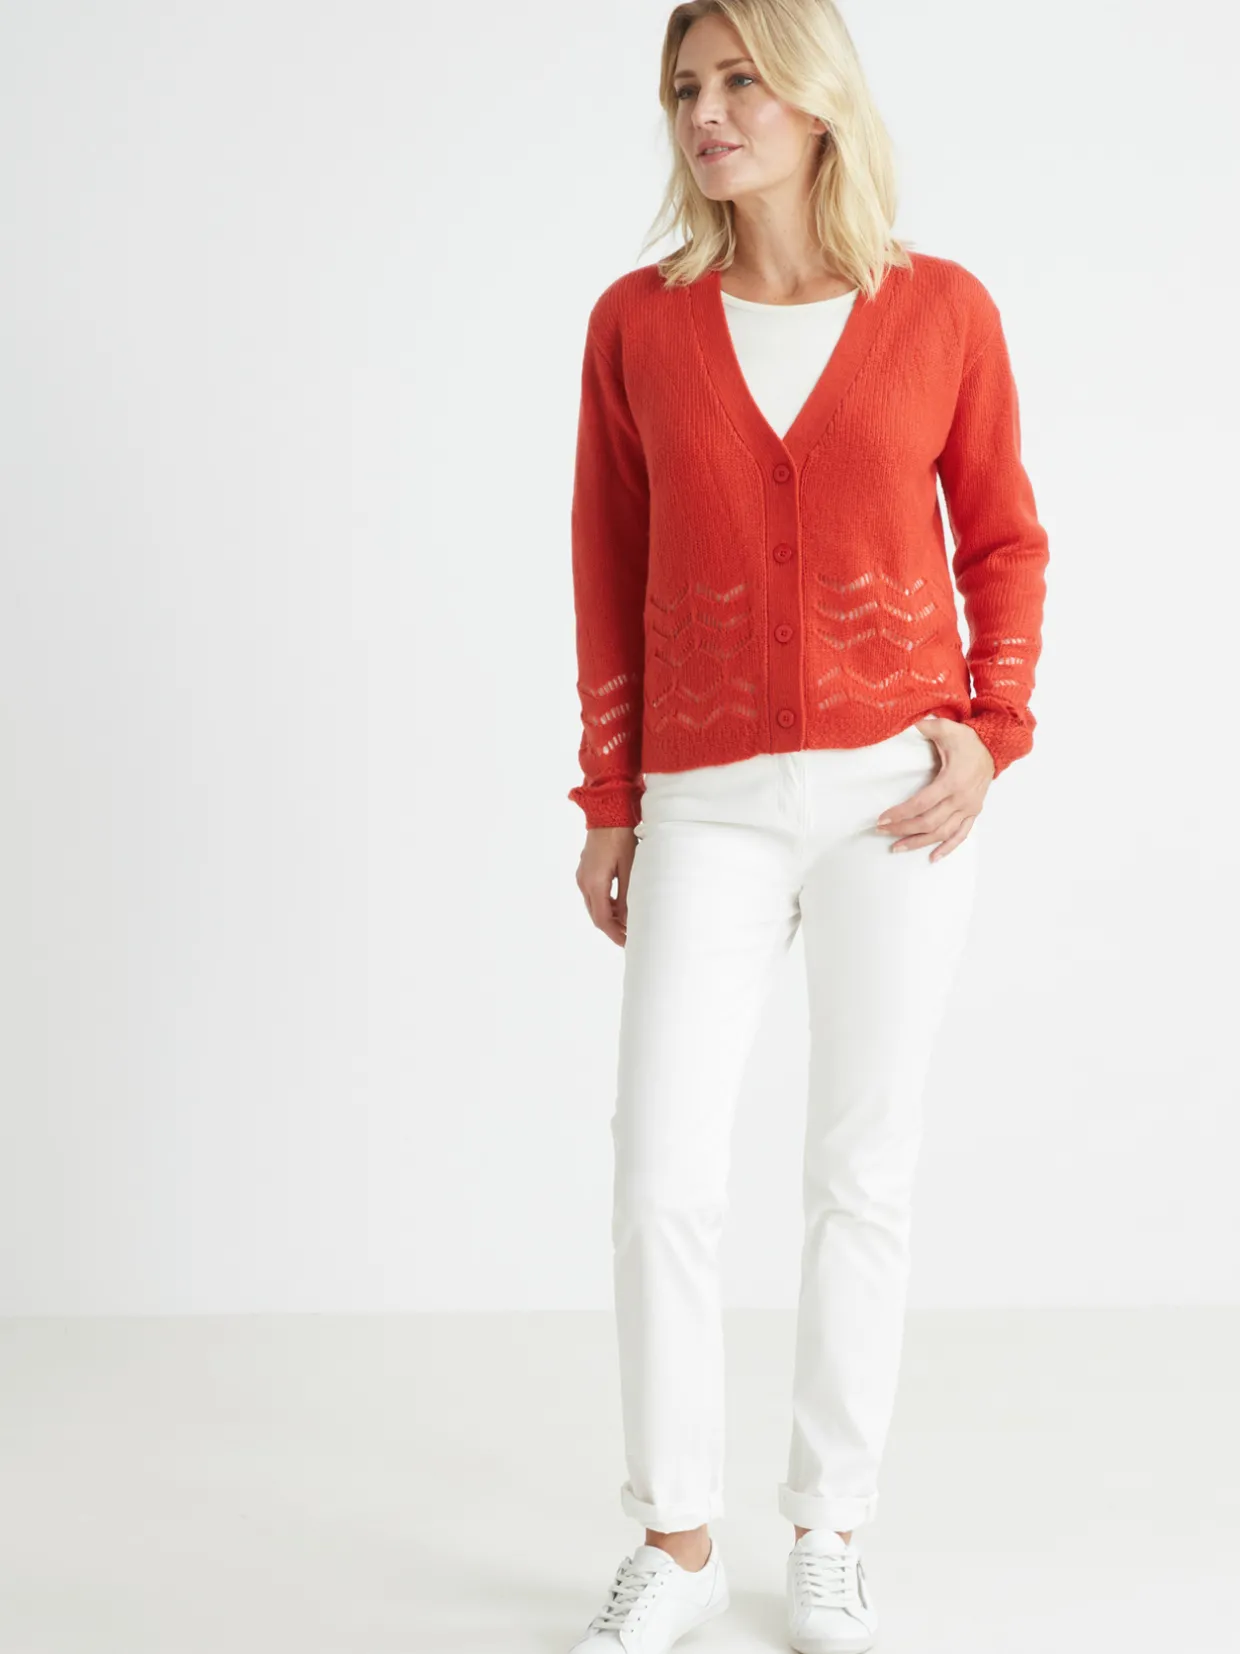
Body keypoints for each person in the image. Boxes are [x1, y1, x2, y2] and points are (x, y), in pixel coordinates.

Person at [564, 3, 1049, 1650]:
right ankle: (679, 1539)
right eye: (684, 89)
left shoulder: (940, 310)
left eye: (739, 81)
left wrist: (993, 733)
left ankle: (829, 1524)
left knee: (861, 1167)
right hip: (703, 799)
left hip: (890, 800)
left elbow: (1004, 540)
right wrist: (610, 796)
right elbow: (606, 566)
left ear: (818, 99)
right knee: (661, 1171)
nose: (707, 112)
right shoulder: (638, 324)